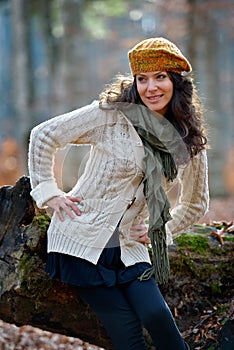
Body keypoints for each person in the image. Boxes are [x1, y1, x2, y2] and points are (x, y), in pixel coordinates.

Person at [28, 37, 209, 350]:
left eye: (160, 77)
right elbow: (44, 135)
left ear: (176, 82)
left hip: (129, 247)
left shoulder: (188, 142)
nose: (151, 87)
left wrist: (161, 230)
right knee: (127, 333)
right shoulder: (110, 115)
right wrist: (48, 191)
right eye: (142, 79)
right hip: (79, 243)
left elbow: (195, 204)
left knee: (157, 316)